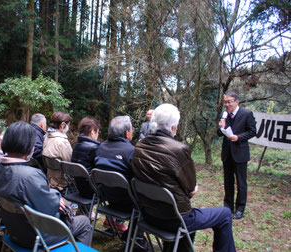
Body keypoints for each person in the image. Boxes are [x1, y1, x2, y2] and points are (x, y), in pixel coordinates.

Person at [132, 103, 236, 252]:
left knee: (181, 210)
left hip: (147, 214)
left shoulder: (139, 146)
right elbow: (191, 189)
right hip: (174, 219)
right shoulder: (179, 149)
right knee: (225, 214)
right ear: (173, 128)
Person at [0, 121, 92, 248]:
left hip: (13, 229)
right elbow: (48, 208)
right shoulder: (30, 176)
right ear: (28, 146)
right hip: (36, 236)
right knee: (84, 222)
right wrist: (56, 195)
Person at [218, 91, 256, 219]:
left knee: (241, 182)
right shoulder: (224, 115)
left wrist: (238, 137)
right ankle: (228, 206)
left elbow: (252, 131)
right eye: (225, 102)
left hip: (240, 153)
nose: (227, 105)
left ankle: (240, 208)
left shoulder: (246, 114)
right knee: (228, 181)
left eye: (229, 102)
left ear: (237, 101)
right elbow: (219, 133)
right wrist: (220, 127)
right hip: (227, 153)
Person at [94, 116, 134, 233]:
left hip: (107, 199)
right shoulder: (131, 151)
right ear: (127, 133)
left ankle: (115, 221)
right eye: (132, 129)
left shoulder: (100, 147)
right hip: (128, 205)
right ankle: (136, 237)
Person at [42, 111, 73, 191]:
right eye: (68, 125)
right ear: (62, 125)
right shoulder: (62, 142)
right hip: (63, 182)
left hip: (50, 179)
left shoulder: (46, 137)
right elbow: (70, 164)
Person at [71, 117, 101, 198]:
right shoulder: (95, 148)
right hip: (92, 190)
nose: (98, 134)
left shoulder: (76, 146)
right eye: (98, 132)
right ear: (91, 131)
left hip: (79, 187)